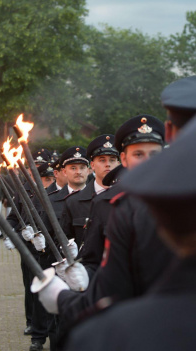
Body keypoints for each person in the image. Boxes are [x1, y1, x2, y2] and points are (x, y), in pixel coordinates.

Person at [64, 114, 196, 351]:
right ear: (123, 158)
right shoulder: (108, 203)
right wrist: (83, 273)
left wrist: (64, 303)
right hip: (129, 314)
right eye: (138, 154)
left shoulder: (178, 199)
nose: (147, 161)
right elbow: (97, 261)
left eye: (154, 154)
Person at [60, 135, 119, 249]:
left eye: (112, 160)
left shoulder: (129, 197)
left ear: (118, 163)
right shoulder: (74, 202)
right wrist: (68, 251)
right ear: (92, 165)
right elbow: (62, 239)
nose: (108, 164)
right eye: (102, 160)